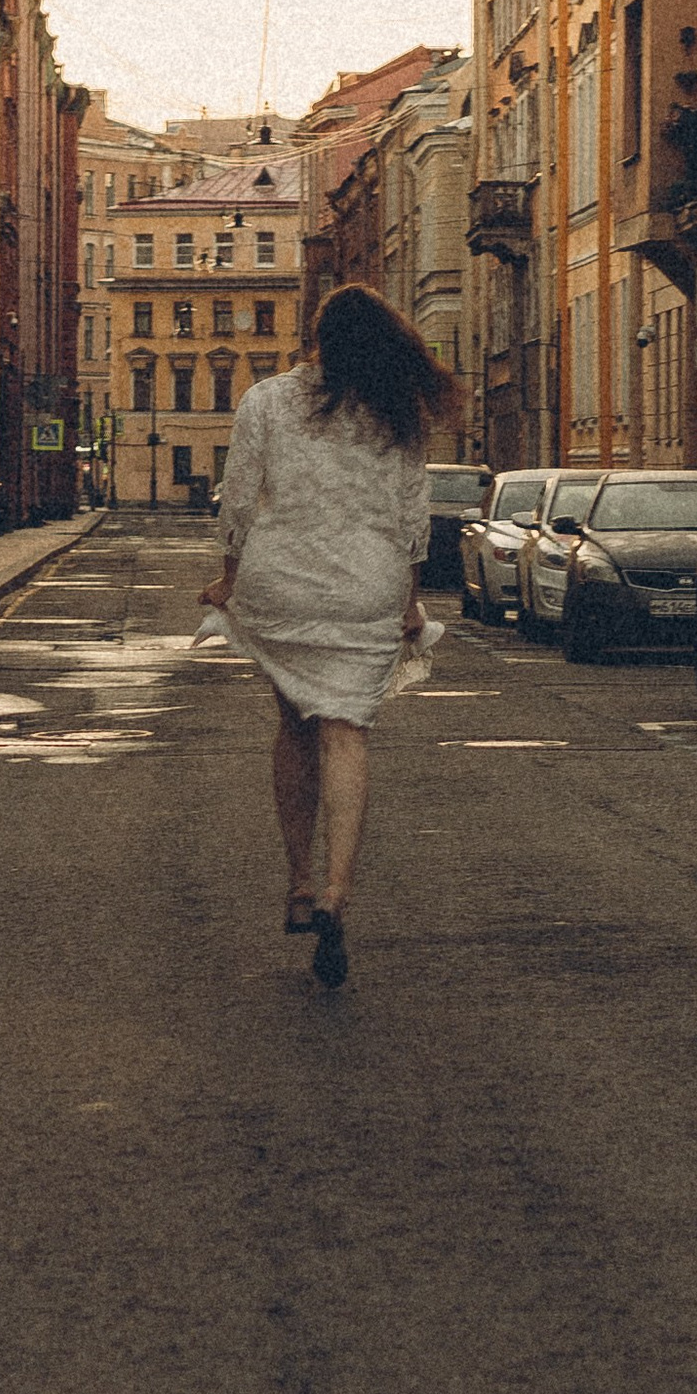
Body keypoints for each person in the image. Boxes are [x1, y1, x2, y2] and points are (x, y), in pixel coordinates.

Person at [199, 283, 460, 990]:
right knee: (347, 732)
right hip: (367, 586)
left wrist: (228, 580)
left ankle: (299, 882)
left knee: (293, 727)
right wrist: (409, 599)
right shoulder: (396, 409)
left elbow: (239, 500)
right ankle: (340, 891)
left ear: (317, 338)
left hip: (282, 580)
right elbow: (414, 515)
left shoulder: (268, 400)